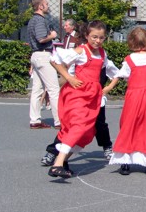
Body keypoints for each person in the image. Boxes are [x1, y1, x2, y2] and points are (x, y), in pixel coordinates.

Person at [47, 21, 119, 178]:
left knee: (87, 132)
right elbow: (54, 59)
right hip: (77, 94)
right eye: (94, 37)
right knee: (78, 126)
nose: (97, 41)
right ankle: (57, 164)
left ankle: (62, 160)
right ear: (87, 36)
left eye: (101, 38)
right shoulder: (80, 51)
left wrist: (108, 87)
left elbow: (116, 73)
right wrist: (69, 77)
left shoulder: (102, 54)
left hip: (92, 97)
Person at [110, 27, 146, 176]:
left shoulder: (129, 59)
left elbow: (123, 74)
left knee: (129, 125)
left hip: (133, 95)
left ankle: (126, 163)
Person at [27, 0, 61, 129]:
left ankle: (34, 120)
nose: (48, 6)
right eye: (46, 4)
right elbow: (41, 38)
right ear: (40, 6)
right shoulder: (40, 21)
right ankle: (59, 121)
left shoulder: (31, 20)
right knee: (53, 89)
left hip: (35, 55)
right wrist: (52, 36)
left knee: (37, 89)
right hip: (43, 55)